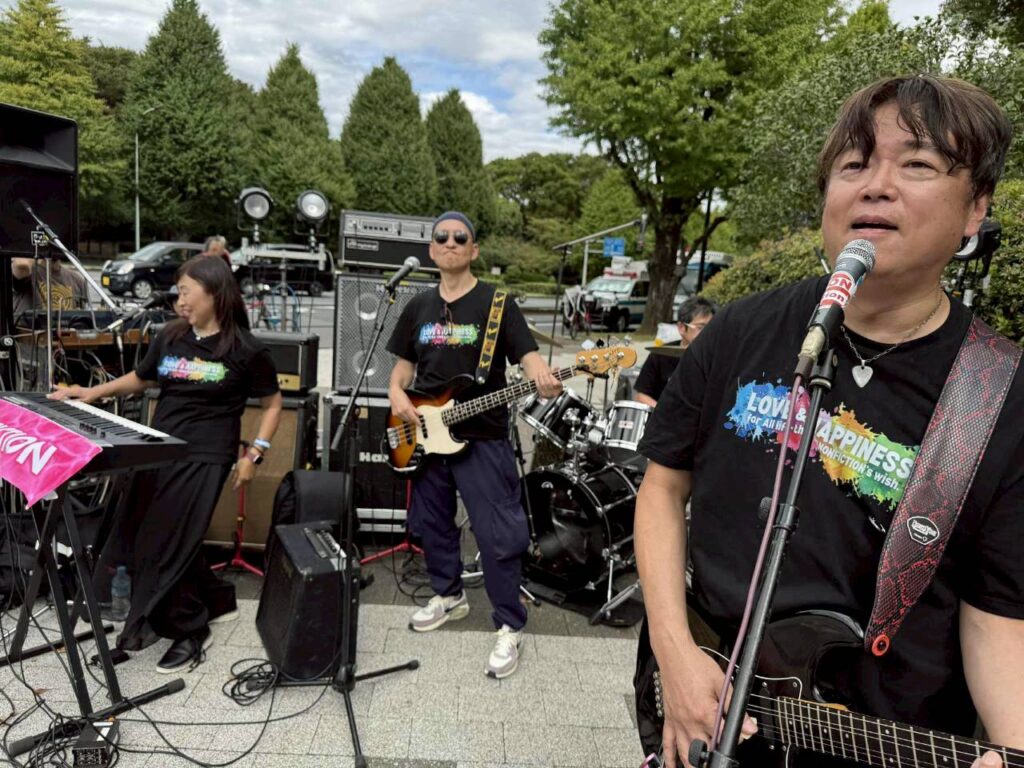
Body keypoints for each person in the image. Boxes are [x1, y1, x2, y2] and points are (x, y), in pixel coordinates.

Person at [635, 75, 1023, 768]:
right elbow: (662, 487)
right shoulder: (740, 330)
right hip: (703, 701)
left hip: (875, 739)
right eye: (854, 164)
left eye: (918, 164)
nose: (876, 186)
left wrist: (1013, 744)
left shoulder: (1001, 394)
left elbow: (998, 610)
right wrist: (674, 652)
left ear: (975, 210)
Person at [50, 256, 282, 673]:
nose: (180, 301)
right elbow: (142, 378)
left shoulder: (247, 349)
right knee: (152, 532)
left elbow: (272, 404)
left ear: (215, 294)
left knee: (170, 539)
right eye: (178, 293)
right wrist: (90, 393)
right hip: (158, 449)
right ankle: (215, 600)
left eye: (187, 292)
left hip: (207, 455)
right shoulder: (171, 336)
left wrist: (255, 454)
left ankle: (189, 628)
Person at [387, 210, 562, 679]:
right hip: (427, 435)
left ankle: (509, 623)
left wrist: (541, 376)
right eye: (441, 237)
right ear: (431, 249)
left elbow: (527, 356)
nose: (450, 243)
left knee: (497, 534)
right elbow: (402, 368)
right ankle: (449, 595)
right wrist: (396, 394)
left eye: (459, 237)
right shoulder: (418, 306)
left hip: (483, 437)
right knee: (433, 523)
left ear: (474, 249)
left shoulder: (497, 303)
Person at [633, 296, 716, 407]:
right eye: (701, 327)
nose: (707, 333)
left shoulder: (718, 359)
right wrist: (664, 413)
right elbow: (641, 396)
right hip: (664, 415)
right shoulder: (660, 355)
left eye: (711, 327)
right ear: (681, 328)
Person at [11, 256, 88, 319]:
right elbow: (21, 264)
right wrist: (39, 250)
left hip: (64, 332)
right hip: (30, 332)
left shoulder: (76, 279)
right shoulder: (29, 272)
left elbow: (83, 318)